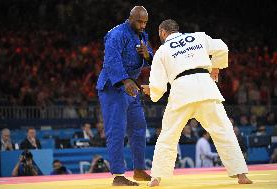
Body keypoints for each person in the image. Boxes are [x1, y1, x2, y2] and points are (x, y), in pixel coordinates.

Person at [141, 19, 252, 186]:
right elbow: (222, 47)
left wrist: (152, 90)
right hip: (206, 88)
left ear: (163, 33)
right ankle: (241, 175)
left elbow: (159, 85)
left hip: (181, 93)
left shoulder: (162, 50)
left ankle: (156, 178)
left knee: (168, 136)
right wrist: (216, 66)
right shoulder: (198, 37)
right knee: (224, 131)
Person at [96, 6, 153, 186]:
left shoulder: (142, 35)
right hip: (114, 86)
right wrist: (125, 80)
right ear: (130, 18)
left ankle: (138, 169)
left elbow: (150, 55)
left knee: (139, 127)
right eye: (139, 21)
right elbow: (111, 60)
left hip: (131, 87)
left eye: (145, 22)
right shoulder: (116, 34)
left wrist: (148, 55)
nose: (143, 25)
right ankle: (118, 175)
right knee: (116, 130)